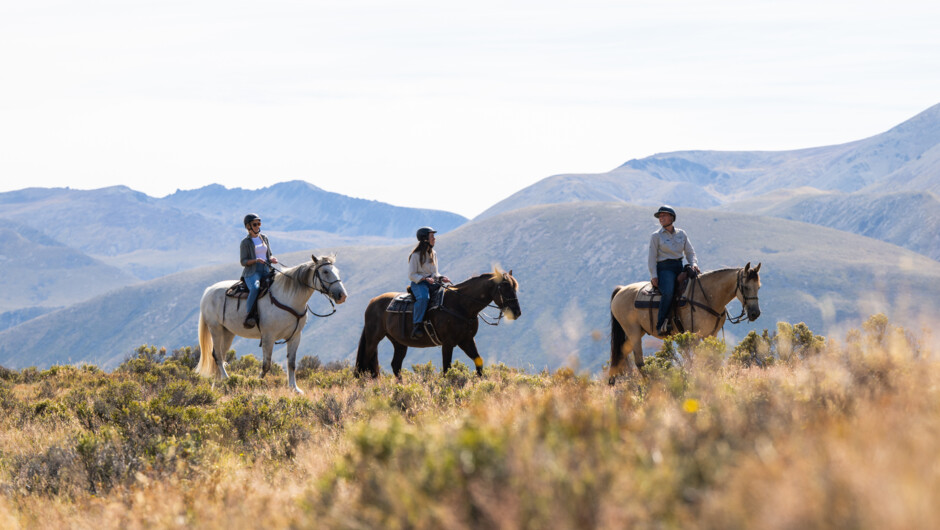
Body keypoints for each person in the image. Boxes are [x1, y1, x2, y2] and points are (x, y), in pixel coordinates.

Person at [648, 205, 699, 335]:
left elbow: (690, 252)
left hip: (679, 266)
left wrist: (693, 264)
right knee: (669, 292)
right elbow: (652, 257)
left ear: (672, 217)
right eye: (660, 216)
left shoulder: (682, 234)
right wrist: (654, 275)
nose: (661, 218)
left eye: (664, 215)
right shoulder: (656, 236)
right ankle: (661, 325)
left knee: (697, 285)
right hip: (664, 269)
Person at [408, 226, 450, 339]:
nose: (434, 239)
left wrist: (441, 278)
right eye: (432, 236)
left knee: (447, 294)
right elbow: (411, 275)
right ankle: (417, 325)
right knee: (423, 298)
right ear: (425, 239)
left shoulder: (433, 253)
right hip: (419, 284)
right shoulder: (415, 255)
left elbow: (435, 273)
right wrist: (425, 279)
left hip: (432, 283)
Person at [240, 213, 278, 328]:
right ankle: (249, 315)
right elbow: (243, 261)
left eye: (258, 223)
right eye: (255, 224)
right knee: (256, 288)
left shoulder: (264, 238)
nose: (257, 226)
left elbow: (269, 255)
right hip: (252, 272)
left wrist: (271, 259)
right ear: (248, 227)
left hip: (266, 269)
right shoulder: (245, 243)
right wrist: (256, 260)